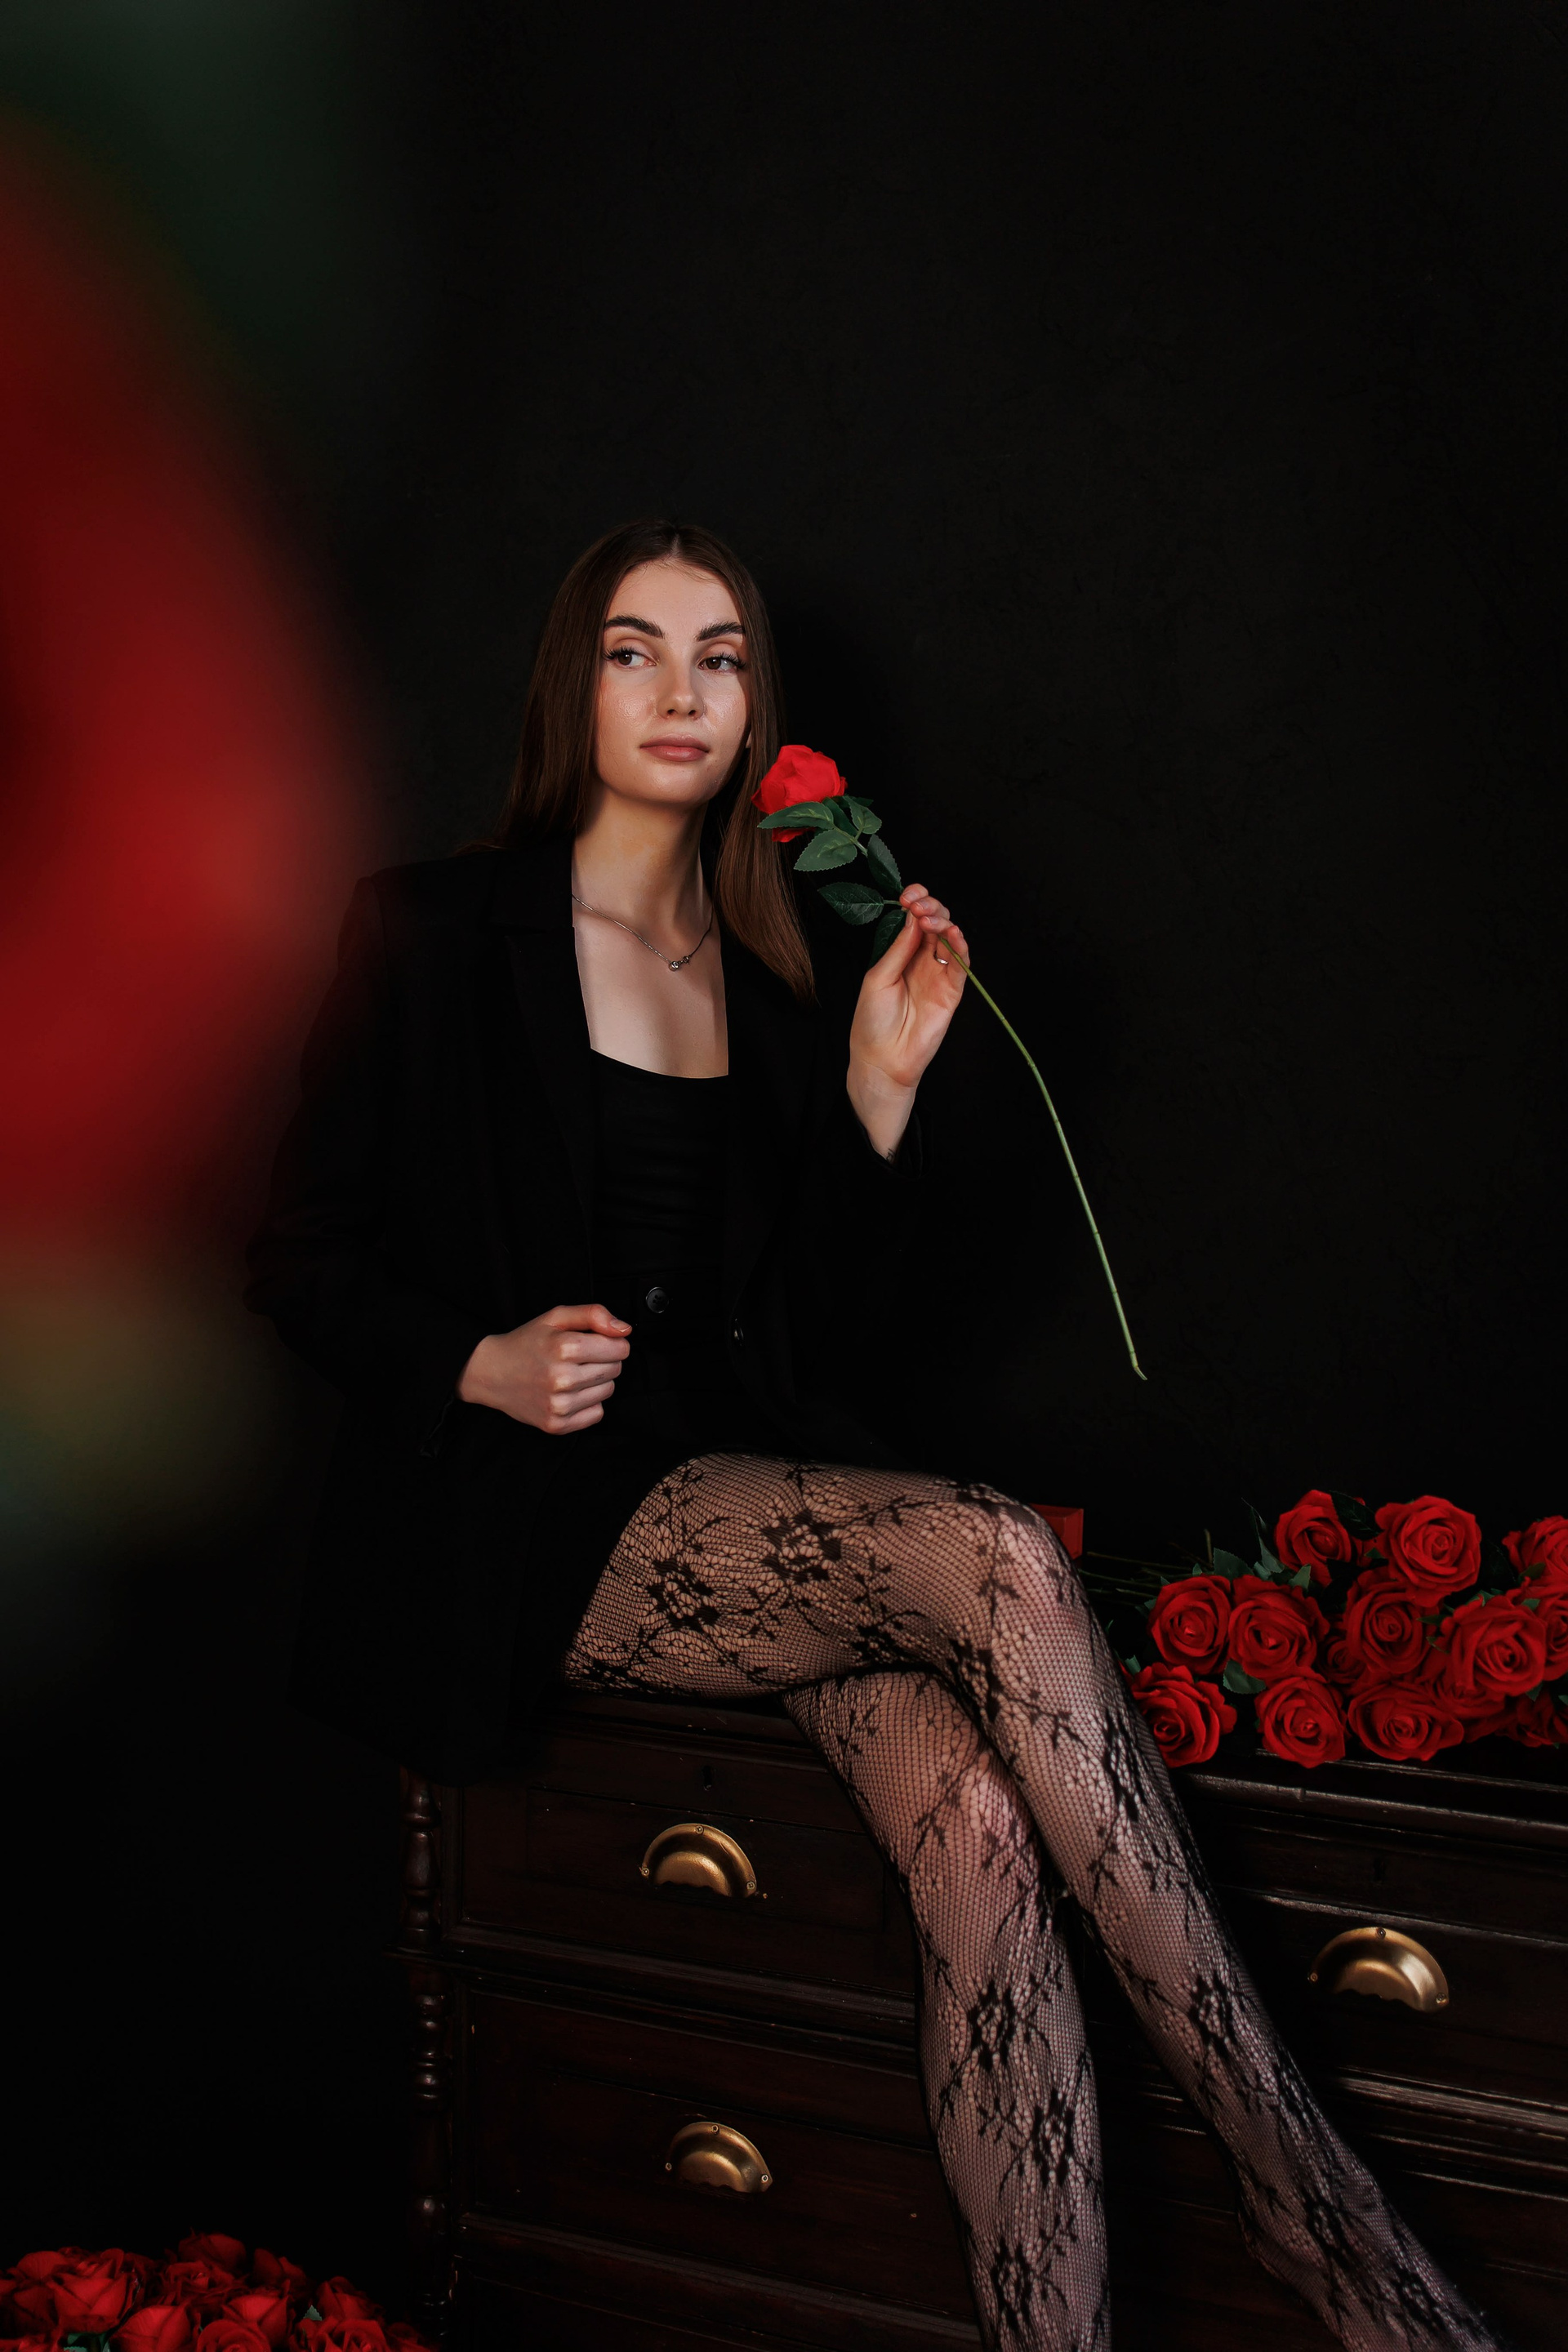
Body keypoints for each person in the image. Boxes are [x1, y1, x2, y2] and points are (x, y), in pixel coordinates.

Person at [248, 519, 1503, 2352]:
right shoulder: (433, 932)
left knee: (977, 1822)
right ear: (572, 687)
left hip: (733, 1498)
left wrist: (876, 1090)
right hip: (523, 1511)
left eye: (721, 657)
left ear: (757, 705)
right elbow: (296, 1256)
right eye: (636, 649)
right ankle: (1307, 2202)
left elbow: (806, 1347)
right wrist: (477, 1360)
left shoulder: (769, 989)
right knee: (992, 1551)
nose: (682, 691)